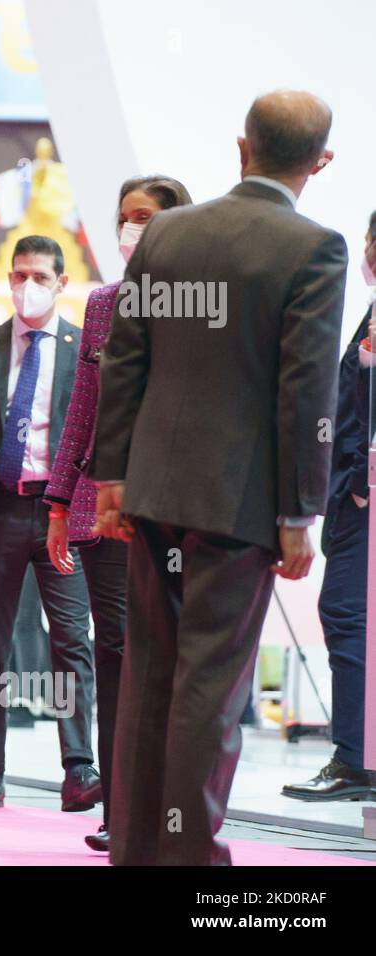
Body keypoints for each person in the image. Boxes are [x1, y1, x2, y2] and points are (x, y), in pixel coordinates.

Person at [94, 90, 347, 865]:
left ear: (242, 149)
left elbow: (124, 357)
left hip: (155, 488)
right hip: (239, 503)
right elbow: (306, 391)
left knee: (150, 675)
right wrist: (301, 511)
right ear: (322, 163)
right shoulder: (314, 247)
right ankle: (190, 856)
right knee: (213, 684)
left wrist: (111, 477)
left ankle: (140, 847)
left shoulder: (166, 231)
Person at [43, 175, 192, 851]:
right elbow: (82, 412)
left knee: (172, 658)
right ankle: (120, 806)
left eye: (148, 218)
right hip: (102, 509)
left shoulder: (203, 306)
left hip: (182, 509)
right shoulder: (102, 306)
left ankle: (172, 807)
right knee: (116, 654)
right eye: (125, 218)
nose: (133, 230)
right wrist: (56, 504)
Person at [0, 235, 100, 812]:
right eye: (18, 275)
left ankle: (80, 768)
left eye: (39, 276)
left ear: (60, 283)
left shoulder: (86, 350)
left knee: (72, 638)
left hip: (62, 514)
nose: (27, 286)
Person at [282, 216, 376, 803]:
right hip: (350, 493)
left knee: (345, 614)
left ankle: (353, 757)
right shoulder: (370, 314)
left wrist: (362, 481)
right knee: (349, 617)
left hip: (363, 494)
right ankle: (358, 755)